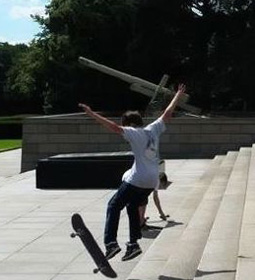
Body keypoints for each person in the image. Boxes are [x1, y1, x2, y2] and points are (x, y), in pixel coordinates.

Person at [79, 84, 187, 261]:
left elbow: (114, 127)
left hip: (137, 179)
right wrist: (177, 96)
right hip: (152, 181)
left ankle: (111, 244)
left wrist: (91, 114)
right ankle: (133, 244)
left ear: (129, 124)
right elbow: (167, 114)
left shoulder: (132, 132)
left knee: (113, 205)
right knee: (131, 206)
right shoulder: (153, 129)